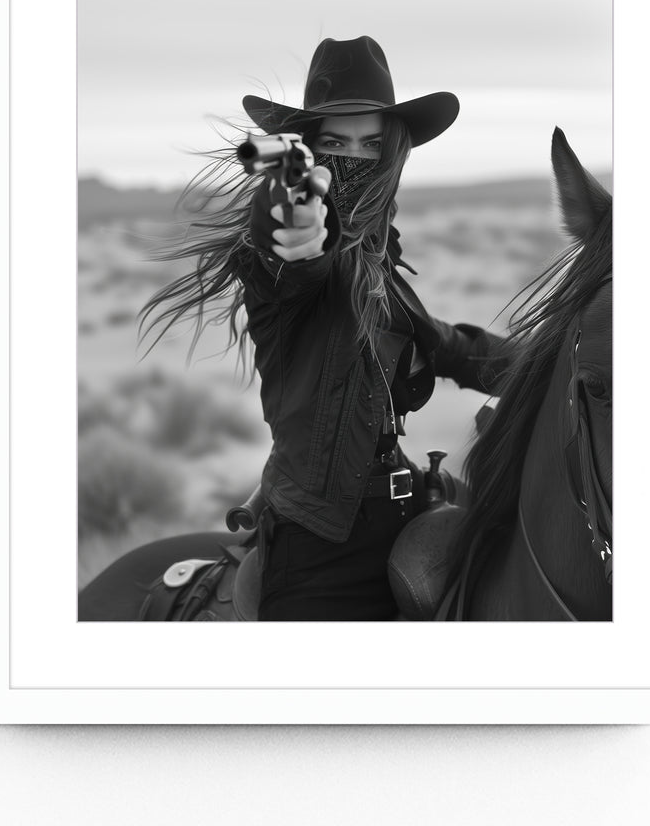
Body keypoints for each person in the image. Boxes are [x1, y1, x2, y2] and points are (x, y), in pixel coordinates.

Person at [140, 35, 507, 620]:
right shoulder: (286, 262)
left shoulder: (381, 269)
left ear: (392, 154)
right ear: (309, 150)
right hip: (321, 551)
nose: (354, 158)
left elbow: (445, 345)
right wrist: (296, 223)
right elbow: (295, 250)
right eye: (334, 142)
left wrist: (549, 361)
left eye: (370, 144)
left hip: (408, 509)